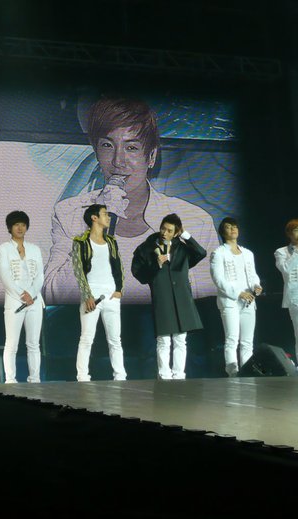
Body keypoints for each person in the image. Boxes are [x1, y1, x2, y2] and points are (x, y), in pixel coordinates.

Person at [43, 96, 218, 304]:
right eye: (107, 145)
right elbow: (52, 295)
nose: (118, 161)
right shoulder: (68, 214)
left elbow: (209, 306)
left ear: (151, 157)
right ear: (96, 152)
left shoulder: (195, 221)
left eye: (131, 148)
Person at [131, 213, 206, 379]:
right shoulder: (146, 248)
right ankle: (164, 375)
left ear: (176, 233)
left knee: (180, 339)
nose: (164, 233)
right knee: (163, 340)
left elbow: (201, 253)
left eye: (170, 231)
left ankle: (179, 374)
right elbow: (139, 274)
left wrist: (186, 235)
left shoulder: (182, 248)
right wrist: (156, 264)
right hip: (162, 297)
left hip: (182, 298)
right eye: (163, 228)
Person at [72, 204, 126, 381]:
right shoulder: (80, 241)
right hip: (92, 295)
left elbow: (119, 266)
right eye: (105, 214)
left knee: (115, 340)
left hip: (111, 295)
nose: (108, 217)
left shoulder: (111, 241)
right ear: (94, 218)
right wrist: (87, 295)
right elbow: (78, 270)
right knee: (87, 338)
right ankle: (82, 377)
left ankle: (120, 376)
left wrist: (119, 290)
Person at [0, 210, 44, 383]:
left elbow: (40, 276)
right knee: (12, 344)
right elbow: (5, 276)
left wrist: (31, 293)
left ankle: (35, 379)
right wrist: (22, 295)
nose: (20, 228)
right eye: (16, 224)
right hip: (15, 300)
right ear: (10, 227)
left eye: (23, 225)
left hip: (35, 301)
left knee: (33, 343)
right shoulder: (3, 249)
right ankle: (10, 380)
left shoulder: (35, 249)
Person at [210, 217, 262, 376]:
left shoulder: (248, 253)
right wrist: (239, 293)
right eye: (228, 227)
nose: (233, 229)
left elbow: (253, 275)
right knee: (232, 339)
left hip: (248, 301)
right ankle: (232, 373)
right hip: (230, 301)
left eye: (235, 226)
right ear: (222, 232)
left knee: (247, 342)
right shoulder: (218, 253)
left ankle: (247, 373)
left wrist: (256, 285)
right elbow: (218, 280)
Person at [275, 218, 298, 363]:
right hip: (295, 296)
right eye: (296, 230)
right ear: (289, 233)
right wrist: (296, 253)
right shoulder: (281, 252)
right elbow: (285, 270)